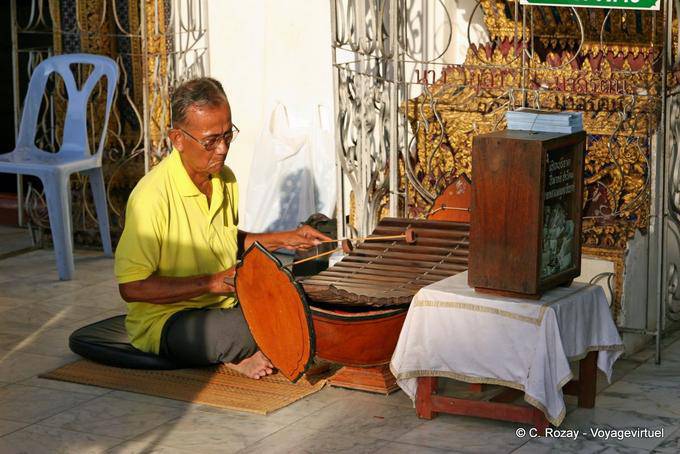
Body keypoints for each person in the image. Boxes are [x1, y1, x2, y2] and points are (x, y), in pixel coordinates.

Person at [114, 77, 331, 379]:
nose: (223, 149)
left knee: (301, 292)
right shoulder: (150, 198)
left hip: (225, 304)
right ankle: (237, 352)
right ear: (177, 138)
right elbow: (132, 287)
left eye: (228, 135)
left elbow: (226, 239)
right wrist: (211, 283)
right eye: (211, 140)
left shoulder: (224, 178)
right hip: (169, 319)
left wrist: (286, 238)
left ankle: (243, 348)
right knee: (248, 328)